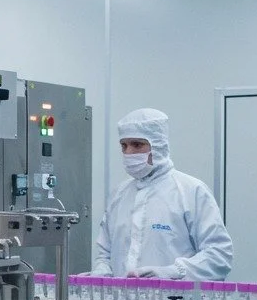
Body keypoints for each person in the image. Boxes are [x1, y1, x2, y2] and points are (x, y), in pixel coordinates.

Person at [92, 107, 232, 281]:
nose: (128, 153)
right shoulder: (119, 195)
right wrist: (100, 274)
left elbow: (218, 256)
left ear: (158, 145)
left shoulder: (191, 191)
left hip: (176, 298)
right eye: (124, 146)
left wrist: (173, 272)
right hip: (122, 298)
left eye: (137, 145)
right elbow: (105, 253)